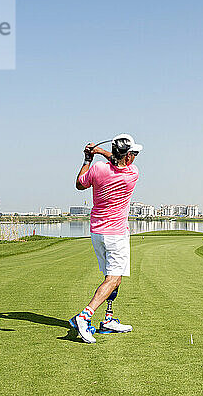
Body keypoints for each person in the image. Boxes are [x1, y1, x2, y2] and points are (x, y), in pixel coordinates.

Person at [69, 134, 142, 343]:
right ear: (127, 157)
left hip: (97, 233)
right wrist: (101, 152)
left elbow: (80, 184)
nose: (135, 158)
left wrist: (88, 159)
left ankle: (108, 320)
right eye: (133, 154)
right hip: (116, 234)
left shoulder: (98, 169)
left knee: (114, 278)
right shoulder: (132, 174)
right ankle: (84, 317)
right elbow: (118, 162)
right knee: (112, 279)